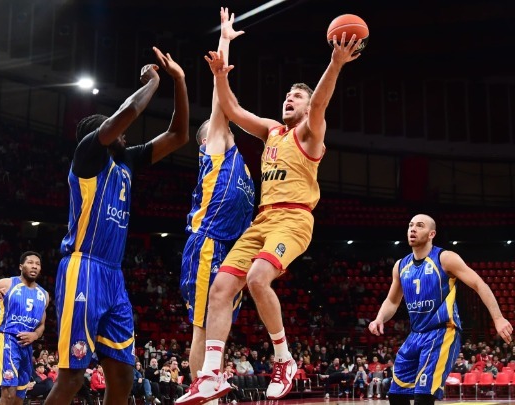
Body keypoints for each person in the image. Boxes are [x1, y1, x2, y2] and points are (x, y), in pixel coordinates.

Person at [178, 23, 364, 405]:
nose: (289, 99)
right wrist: (220, 76)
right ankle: (210, 375)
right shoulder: (272, 131)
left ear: (307, 107)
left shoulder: (310, 134)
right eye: (287, 95)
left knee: (258, 278)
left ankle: (284, 359)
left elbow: (321, 103)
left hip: (294, 219)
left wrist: (335, 63)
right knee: (221, 288)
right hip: (262, 221)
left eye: (297, 96)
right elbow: (231, 110)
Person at [44, 46, 189, 405]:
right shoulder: (87, 156)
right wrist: (153, 82)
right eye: (114, 128)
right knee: (72, 377)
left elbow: (179, 136)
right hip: (84, 267)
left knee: (124, 375)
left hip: (113, 275)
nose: (125, 132)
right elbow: (126, 114)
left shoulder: (127, 163)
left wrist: (180, 81)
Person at [179, 9, 254, 401]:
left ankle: (210, 391)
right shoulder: (215, 148)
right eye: (217, 124)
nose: (222, 122)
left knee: (218, 334)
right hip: (209, 242)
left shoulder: (241, 163)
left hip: (233, 248)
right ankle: (200, 396)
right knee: (203, 328)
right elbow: (220, 103)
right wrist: (224, 43)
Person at [368, 214, 513, 405]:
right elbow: (392, 301)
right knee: (396, 395)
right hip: (415, 334)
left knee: (423, 396)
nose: (413, 229)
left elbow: (479, 284)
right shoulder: (401, 265)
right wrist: (379, 318)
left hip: (442, 332)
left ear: (431, 234)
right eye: (411, 225)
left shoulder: (445, 258)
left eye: (420, 226)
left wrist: (498, 318)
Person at [0, 251, 48, 405]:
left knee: (19, 399)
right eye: (30, 263)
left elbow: (42, 325)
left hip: (27, 346)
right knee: (9, 397)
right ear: (21, 266)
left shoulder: (44, 295)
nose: (34, 266)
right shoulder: (6, 284)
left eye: (37, 264)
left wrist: (35, 335)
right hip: (7, 340)